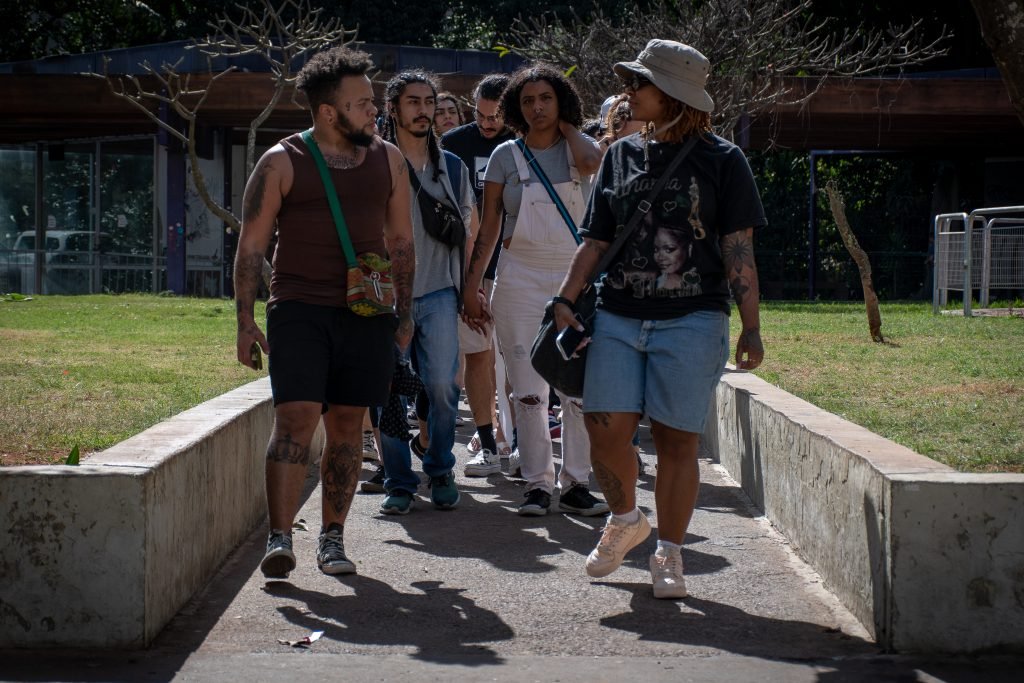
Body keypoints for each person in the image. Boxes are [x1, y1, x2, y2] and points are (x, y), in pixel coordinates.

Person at [552, 40, 766, 598]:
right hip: (619, 315)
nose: (629, 91)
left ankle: (669, 554)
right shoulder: (619, 157)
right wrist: (565, 297)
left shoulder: (724, 161)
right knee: (605, 431)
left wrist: (752, 326)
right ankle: (625, 519)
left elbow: (738, 248)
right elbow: (595, 239)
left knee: (676, 443)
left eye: (640, 83)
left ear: (672, 94)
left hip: (693, 319)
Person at [233, 46, 414, 578]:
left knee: (347, 426)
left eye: (373, 101)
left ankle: (332, 538)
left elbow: (401, 241)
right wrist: (244, 320)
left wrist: (403, 313)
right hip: (298, 308)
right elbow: (251, 248)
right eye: (362, 104)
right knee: (293, 420)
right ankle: (279, 536)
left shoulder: (389, 160)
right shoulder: (282, 161)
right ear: (329, 111)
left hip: (367, 312)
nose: (374, 111)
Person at [462, 63, 608, 517]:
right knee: (527, 390)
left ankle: (576, 482)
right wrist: (472, 286)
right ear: (514, 108)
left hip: (575, 279)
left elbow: (593, 163)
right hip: (519, 277)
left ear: (561, 101)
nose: (537, 107)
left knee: (577, 390)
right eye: (527, 101)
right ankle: (537, 484)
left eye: (546, 98)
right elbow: (488, 229)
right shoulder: (505, 155)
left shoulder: (578, 150)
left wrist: (567, 124)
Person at [376, 70, 477, 515]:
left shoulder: (452, 167)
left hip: (439, 291)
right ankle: (399, 480)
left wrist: (470, 287)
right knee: (388, 392)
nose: (423, 110)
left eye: (428, 101)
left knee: (440, 387)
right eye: (413, 101)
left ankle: (439, 468)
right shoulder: (374, 162)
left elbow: (469, 233)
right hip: (384, 298)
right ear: (393, 108)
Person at [441, 74, 515, 475]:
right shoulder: (454, 145)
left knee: (514, 358)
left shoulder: (523, 144)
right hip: (468, 266)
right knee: (480, 353)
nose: (487, 124)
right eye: (481, 115)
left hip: (515, 260)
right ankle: (490, 436)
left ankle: (513, 436)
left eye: (496, 116)